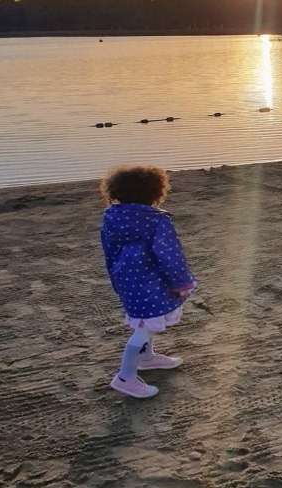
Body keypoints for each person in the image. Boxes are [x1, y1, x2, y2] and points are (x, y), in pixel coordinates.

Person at [100, 165, 197, 398]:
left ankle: (147, 358)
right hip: (151, 280)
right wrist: (182, 282)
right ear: (155, 192)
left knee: (143, 320)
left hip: (126, 279)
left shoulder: (111, 217)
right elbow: (169, 255)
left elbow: (108, 250)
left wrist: (116, 278)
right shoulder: (156, 221)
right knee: (144, 327)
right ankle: (125, 377)